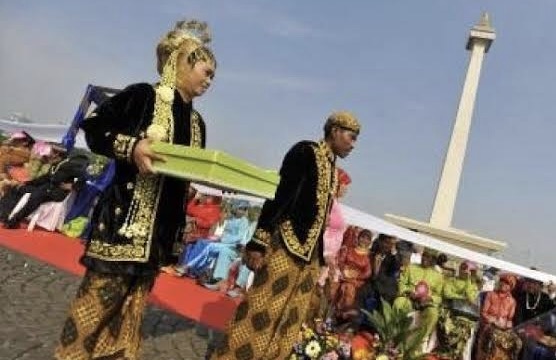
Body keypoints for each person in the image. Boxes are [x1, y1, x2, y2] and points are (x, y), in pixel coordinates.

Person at [54, 19, 216, 360]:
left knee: (132, 311)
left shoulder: (198, 123)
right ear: (180, 63)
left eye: (212, 75)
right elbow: (95, 127)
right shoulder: (143, 96)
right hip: (124, 220)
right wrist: (132, 147)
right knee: (96, 305)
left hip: (157, 234)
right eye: (205, 70)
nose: (209, 80)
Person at [210, 111, 360, 360]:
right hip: (287, 246)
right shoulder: (305, 152)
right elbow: (281, 196)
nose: (353, 145)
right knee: (261, 310)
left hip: (311, 258)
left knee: (290, 319)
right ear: (334, 131)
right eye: (350, 137)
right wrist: (258, 241)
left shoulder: (334, 169)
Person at [436, 261, 480, 360]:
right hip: (449, 310)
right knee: (449, 324)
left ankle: (454, 354)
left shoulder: (472, 285)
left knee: (464, 326)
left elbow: (470, 298)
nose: (464, 271)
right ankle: (446, 351)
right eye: (462, 268)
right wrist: (461, 297)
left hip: (464, 315)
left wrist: (468, 281)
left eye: (466, 269)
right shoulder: (451, 280)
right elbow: (447, 293)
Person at [317, 168, 351, 296]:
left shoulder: (335, 203)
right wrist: (326, 254)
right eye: (344, 185)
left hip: (330, 257)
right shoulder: (329, 202)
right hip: (324, 255)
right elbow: (322, 228)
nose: (345, 189)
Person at [475, 273, 522, 360]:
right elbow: (484, 313)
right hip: (489, 325)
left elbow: (510, 320)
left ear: (511, 286)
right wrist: (494, 321)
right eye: (502, 281)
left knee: (517, 342)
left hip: (503, 329)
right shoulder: (490, 294)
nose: (503, 284)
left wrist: (506, 325)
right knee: (492, 336)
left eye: (506, 283)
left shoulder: (512, 301)